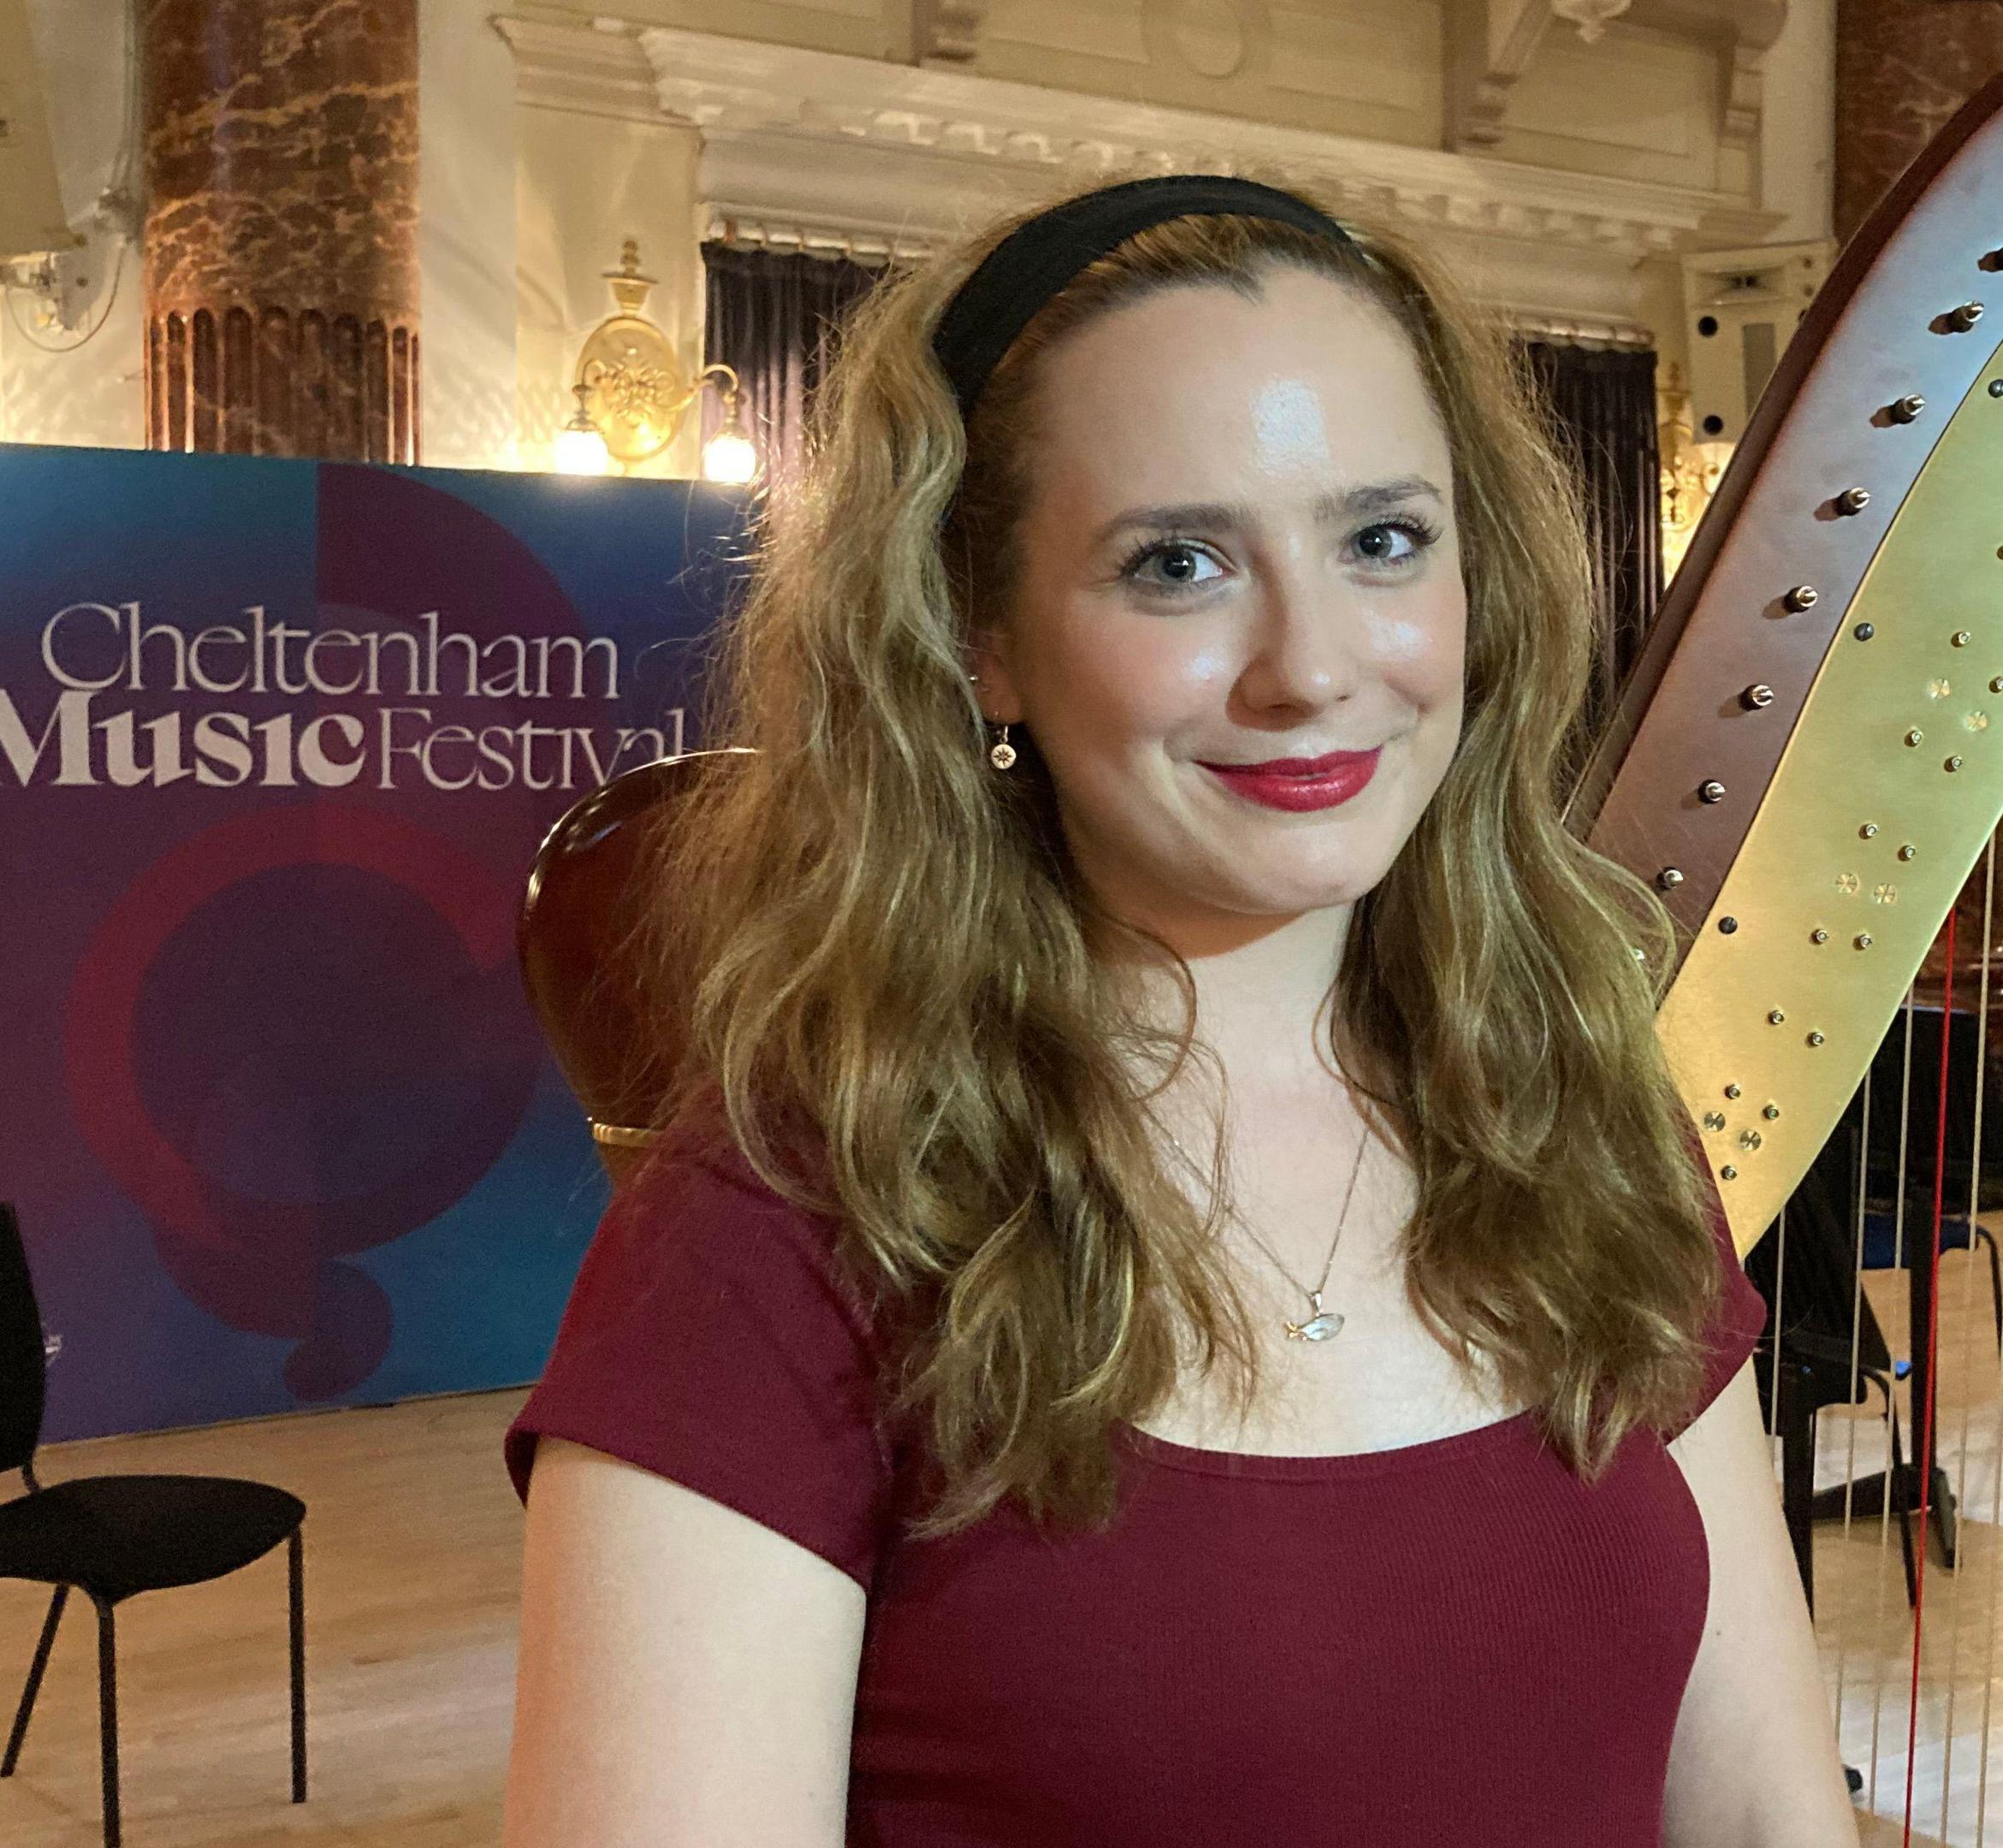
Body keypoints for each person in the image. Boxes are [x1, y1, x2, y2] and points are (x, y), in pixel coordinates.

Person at [498, 175, 1854, 1848]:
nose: (1309, 665)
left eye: (1382, 539)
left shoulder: (1572, 1104)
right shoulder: (773, 1235)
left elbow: (1769, 1814)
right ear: (982, 639)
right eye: (1180, 562)